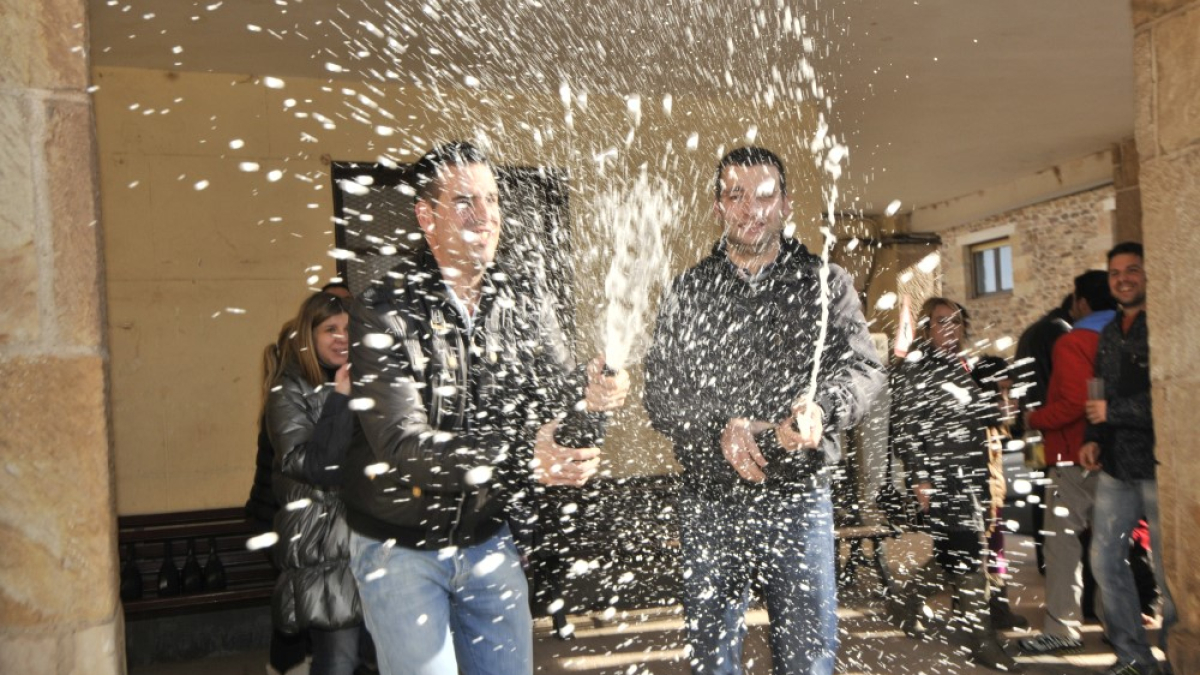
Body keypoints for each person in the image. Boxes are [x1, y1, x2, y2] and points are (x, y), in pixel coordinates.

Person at [343, 141, 629, 675]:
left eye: (494, 200)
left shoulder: (520, 293)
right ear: (426, 217)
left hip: (487, 533)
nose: (486, 216)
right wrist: (525, 457)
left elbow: (556, 399)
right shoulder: (384, 306)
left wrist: (593, 398)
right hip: (398, 543)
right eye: (465, 202)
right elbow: (403, 447)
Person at [643, 146, 884, 675]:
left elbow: (866, 371)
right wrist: (718, 428)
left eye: (766, 196)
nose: (752, 209)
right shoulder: (689, 290)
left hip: (798, 498)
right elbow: (660, 394)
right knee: (712, 658)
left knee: (807, 657)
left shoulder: (826, 283)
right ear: (718, 208)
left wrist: (823, 408)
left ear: (787, 205)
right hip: (710, 502)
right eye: (736, 195)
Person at [889, 298, 1021, 672]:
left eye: (957, 322)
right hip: (942, 479)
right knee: (966, 555)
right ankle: (982, 640)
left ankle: (905, 601)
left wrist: (1003, 406)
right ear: (927, 328)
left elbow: (979, 413)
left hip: (973, 476)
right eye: (942, 322)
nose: (951, 328)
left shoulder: (965, 364)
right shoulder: (916, 368)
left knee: (955, 554)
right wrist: (920, 478)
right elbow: (907, 427)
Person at [1081, 242, 1176, 675]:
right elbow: (1099, 389)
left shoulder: (1167, 324)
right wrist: (1093, 436)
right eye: (1116, 272)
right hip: (1117, 464)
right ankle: (1133, 656)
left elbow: (1175, 396)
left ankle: (1177, 656)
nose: (1123, 278)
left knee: (1167, 565)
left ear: (1147, 274)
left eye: (1132, 270)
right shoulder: (1109, 331)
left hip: (1162, 466)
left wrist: (1113, 413)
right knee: (1103, 560)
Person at [1017, 270, 1116, 655]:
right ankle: (1115, 623)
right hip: (1114, 457)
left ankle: (1062, 627)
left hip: (1071, 455)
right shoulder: (1126, 333)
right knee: (1111, 546)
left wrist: (1034, 419)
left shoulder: (1075, 341)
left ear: (1082, 302)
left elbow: (1073, 404)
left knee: (1062, 546)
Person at [264, 292, 364, 675]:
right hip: (323, 546)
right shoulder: (288, 390)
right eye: (330, 329)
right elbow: (316, 466)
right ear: (310, 334)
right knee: (339, 660)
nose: (342, 337)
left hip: (367, 541)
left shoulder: (369, 380)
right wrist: (340, 399)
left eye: (350, 329)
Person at [969, 355, 1028, 631]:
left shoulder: (993, 426)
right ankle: (909, 598)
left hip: (993, 501)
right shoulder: (978, 425)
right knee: (975, 557)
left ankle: (997, 610)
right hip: (982, 502)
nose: (1009, 399)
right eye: (1001, 392)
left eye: (1009, 390)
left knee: (992, 555)